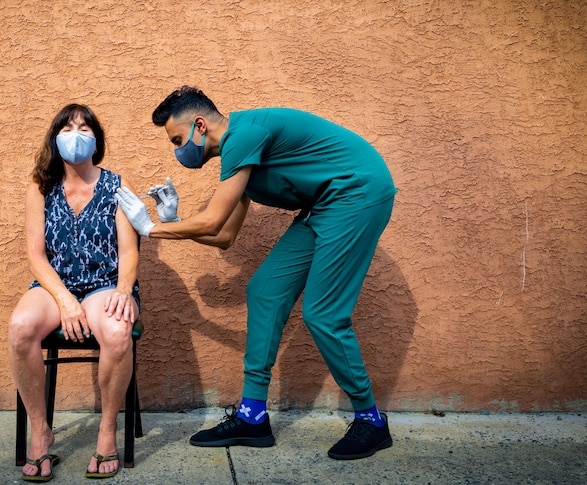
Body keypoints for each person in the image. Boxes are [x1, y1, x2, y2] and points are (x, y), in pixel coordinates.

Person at [115, 86, 397, 460]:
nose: (178, 150)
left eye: (178, 140)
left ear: (200, 125)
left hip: (357, 193)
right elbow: (226, 236)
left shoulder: (243, 135)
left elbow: (214, 220)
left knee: (323, 313)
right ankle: (252, 416)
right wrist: (177, 222)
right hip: (324, 205)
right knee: (264, 290)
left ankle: (371, 420)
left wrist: (150, 227)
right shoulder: (239, 155)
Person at [8, 104, 140, 481]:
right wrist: (65, 300)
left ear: (96, 139)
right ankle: (41, 431)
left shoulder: (117, 185)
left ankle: (107, 429)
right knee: (20, 329)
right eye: (67, 128)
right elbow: (35, 256)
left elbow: (129, 252)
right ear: (55, 138)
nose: (76, 135)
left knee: (117, 334)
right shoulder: (41, 187)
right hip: (55, 285)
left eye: (84, 128)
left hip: (105, 284)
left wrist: (125, 290)